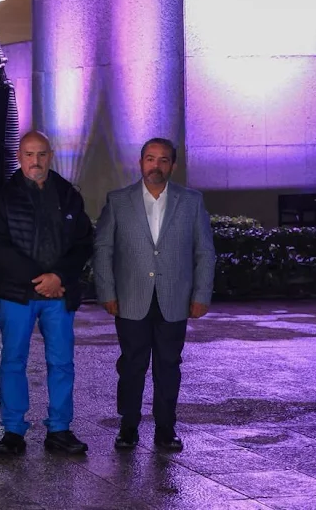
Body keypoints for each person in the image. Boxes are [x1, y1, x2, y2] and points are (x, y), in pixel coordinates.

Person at [94, 138, 216, 452]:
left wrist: (202, 293)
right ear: (140, 162)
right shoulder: (119, 200)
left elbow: (204, 251)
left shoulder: (191, 202)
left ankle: (165, 428)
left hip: (175, 298)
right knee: (132, 365)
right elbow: (103, 249)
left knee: (168, 366)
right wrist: (106, 290)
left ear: (172, 165)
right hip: (130, 298)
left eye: (163, 160)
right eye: (150, 159)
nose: (156, 166)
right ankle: (128, 427)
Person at [0, 131, 94, 456]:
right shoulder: (4, 197)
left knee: (61, 362)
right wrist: (41, 279)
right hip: (17, 295)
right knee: (13, 361)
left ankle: (59, 430)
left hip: (59, 294)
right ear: (20, 157)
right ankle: (13, 432)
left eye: (42, 154)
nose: (36, 161)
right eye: (29, 154)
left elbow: (83, 243)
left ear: (51, 156)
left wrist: (59, 276)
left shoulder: (68, 194)